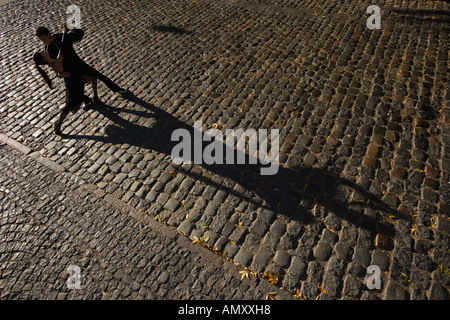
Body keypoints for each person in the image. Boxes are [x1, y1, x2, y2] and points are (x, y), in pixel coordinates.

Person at [36, 25, 128, 99]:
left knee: (100, 76)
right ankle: (87, 101)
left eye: (44, 39)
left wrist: (72, 27)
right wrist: (60, 74)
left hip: (78, 64)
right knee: (72, 92)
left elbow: (79, 34)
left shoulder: (61, 37)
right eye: (41, 40)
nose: (44, 42)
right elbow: (52, 65)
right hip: (68, 72)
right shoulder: (48, 49)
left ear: (49, 34)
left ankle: (117, 89)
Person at [33, 46, 92, 135]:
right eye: (41, 53)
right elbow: (63, 72)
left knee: (77, 96)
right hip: (72, 83)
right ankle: (58, 125)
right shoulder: (54, 64)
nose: (43, 51)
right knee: (69, 105)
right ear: (44, 58)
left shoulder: (52, 59)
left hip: (74, 80)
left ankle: (87, 100)